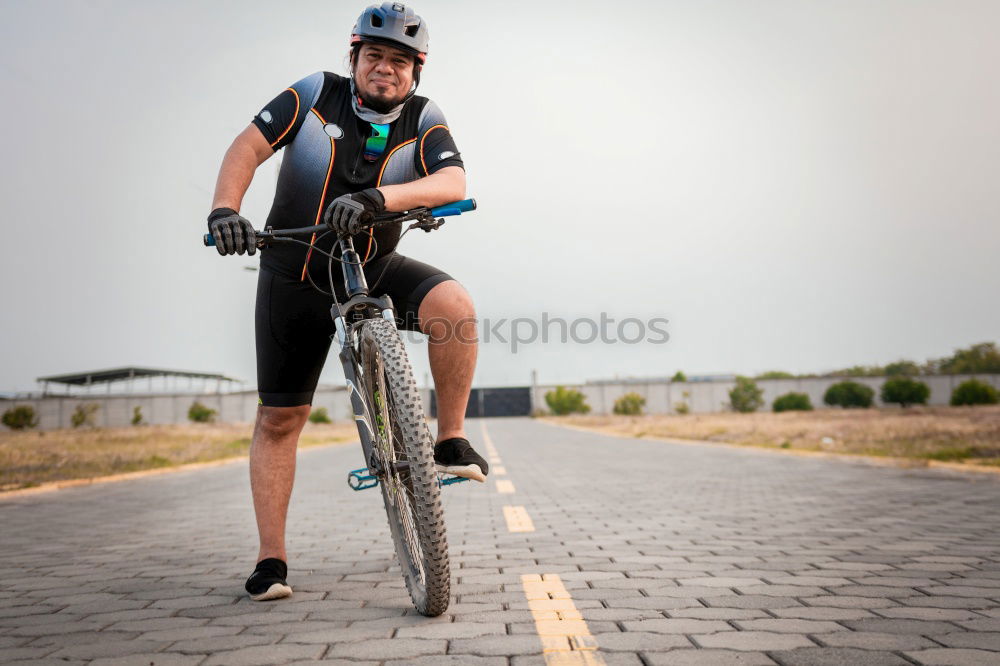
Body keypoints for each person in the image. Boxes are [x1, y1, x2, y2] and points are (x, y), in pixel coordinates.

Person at [207, 2, 488, 602]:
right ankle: (271, 560)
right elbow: (247, 147)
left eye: (400, 62)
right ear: (354, 57)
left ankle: (449, 439)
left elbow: (453, 182)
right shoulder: (315, 94)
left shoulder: (423, 116)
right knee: (281, 419)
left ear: (416, 72)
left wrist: (379, 200)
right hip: (295, 271)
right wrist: (226, 210)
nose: (385, 69)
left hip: (374, 265)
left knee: (455, 307)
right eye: (375, 56)